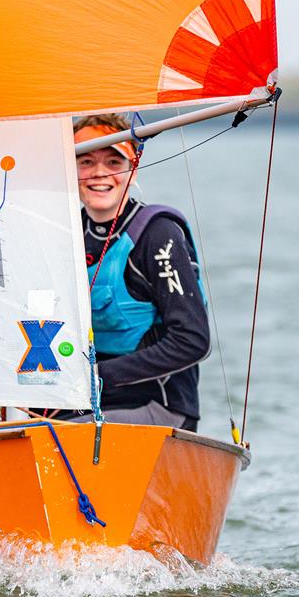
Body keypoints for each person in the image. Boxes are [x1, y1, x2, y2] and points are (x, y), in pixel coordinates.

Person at [64, 113, 211, 431]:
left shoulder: (158, 235)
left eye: (114, 162)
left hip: (158, 405)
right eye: (85, 161)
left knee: (61, 433)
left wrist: (97, 377)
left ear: (133, 169)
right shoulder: (65, 233)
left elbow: (193, 340)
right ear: (69, 170)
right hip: (82, 404)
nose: (99, 173)